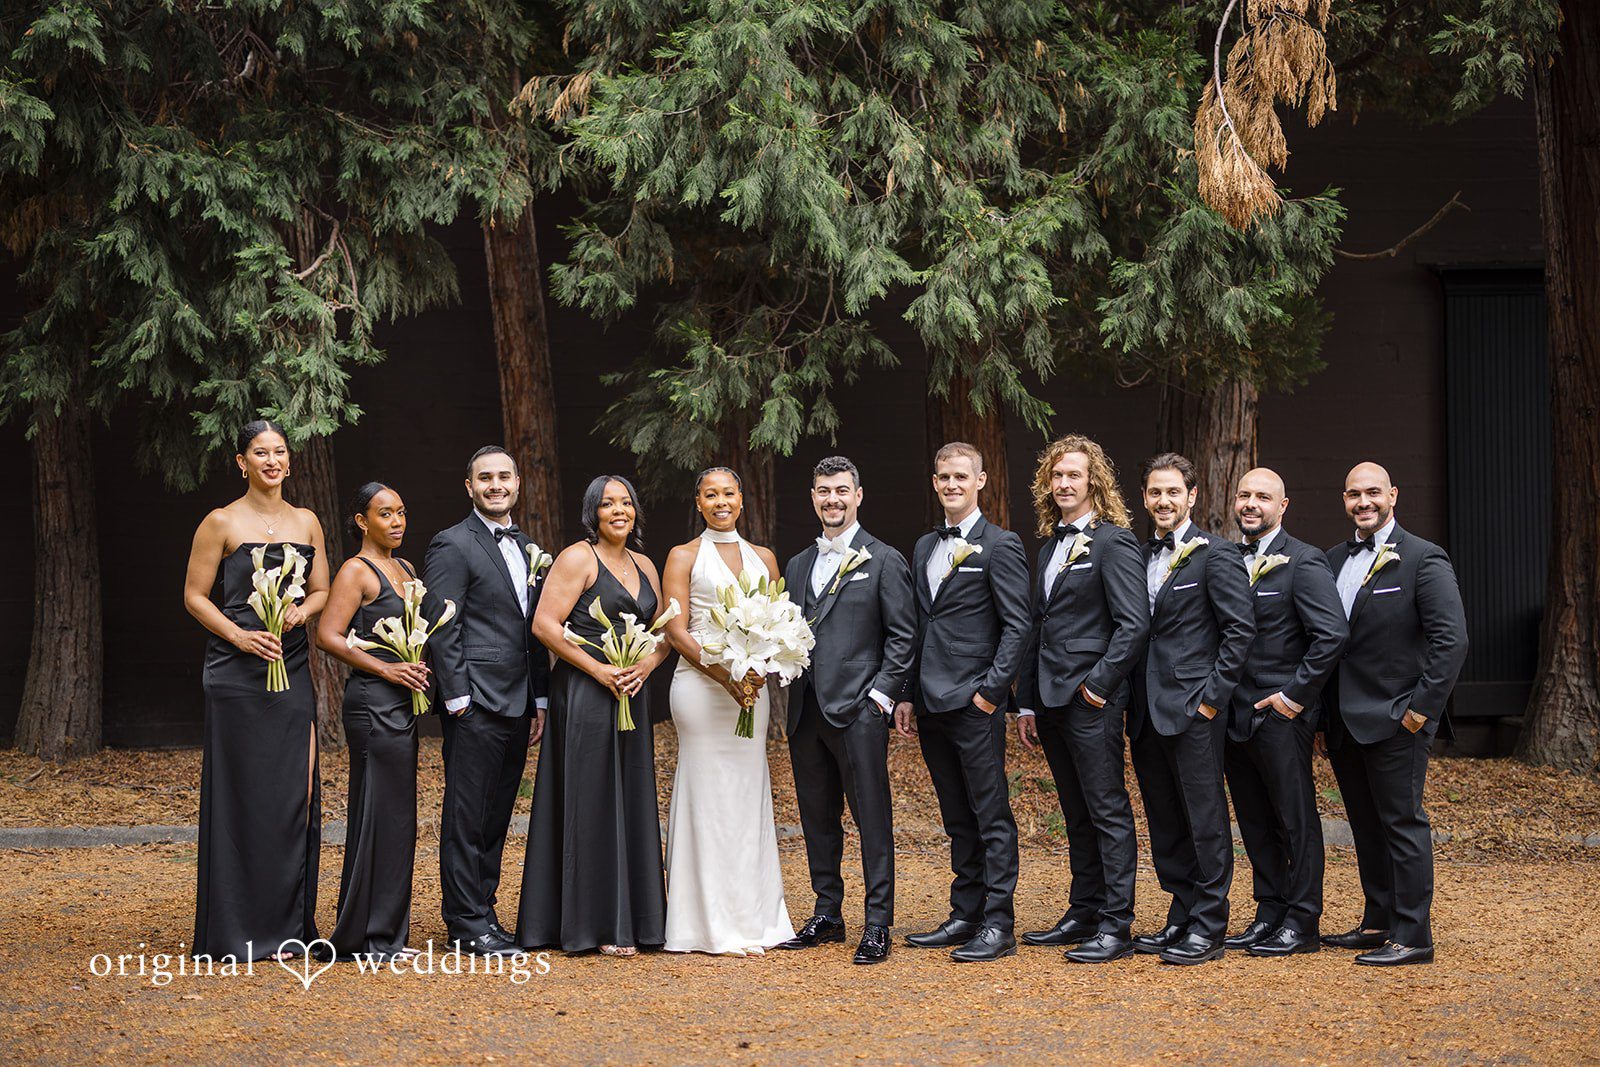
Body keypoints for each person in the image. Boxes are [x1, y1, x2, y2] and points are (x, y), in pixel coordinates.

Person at [182, 420, 330, 963]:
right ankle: (237, 929)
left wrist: (301, 611)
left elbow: (323, 590)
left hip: (288, 667)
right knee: (243, 794)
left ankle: (290, 926)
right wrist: (240, 635)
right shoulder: (220, 521)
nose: (271, 460)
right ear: (241, 462)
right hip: (236, 671)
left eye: (280, 452)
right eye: (259, 453)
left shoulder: (307, 520)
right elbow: (196, 597)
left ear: (289, 462)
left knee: (294, 791)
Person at [1320, 462, 1467, 966]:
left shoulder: (1424, 559)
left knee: (1401, 822)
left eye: (1373, 493)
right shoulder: (1333, 559)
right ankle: (1379, 920)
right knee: (1365, 823)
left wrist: (1418, 712)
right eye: (1354, 493)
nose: (1364, 501)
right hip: (1342, 718)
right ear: (1344, 499)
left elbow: (1452, 642)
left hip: (1396, 716)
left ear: (1393, 496)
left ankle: (1414, 934)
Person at [516, 476, 670, 957]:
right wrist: (600, 670)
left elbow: (664, 631)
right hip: (585, 693)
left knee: (629, 797)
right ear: (593, 512)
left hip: (632, 692)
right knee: (590, 799)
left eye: (626, 503)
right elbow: (544, 625)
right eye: (608, 504)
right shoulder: (578, 558)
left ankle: (634, 921)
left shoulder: (645, 564)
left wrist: (643, 665)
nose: (619, 511)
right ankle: (591, 923)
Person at [777, 456, 916, 965]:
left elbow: (904, 635)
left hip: (859, 710)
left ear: (859, 495)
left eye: (840, 490)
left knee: (872, 819)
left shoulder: (883, 559)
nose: (831, 500)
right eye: (822, 491)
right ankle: (828, 911)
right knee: (817, 817)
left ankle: (877, 923)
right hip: (806, 710)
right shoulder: (796, 565)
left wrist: (880, 698)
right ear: (812, 497)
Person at [895, 442, 1031, 963]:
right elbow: (916, 625)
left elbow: (1017, 625)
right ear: (935, 483)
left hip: (975, 703)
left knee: (990, 813)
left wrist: (990, 695)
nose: (952, 484)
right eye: (944, 477)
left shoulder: (1001, 545)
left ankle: (999, 923)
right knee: (956, 816)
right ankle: (965, 913)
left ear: (981, 480)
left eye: (961, 476)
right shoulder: (925, 545)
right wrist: (907, 695)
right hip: (930, 703)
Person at [1016, 435, 1149, 964]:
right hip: (1049, 699)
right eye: (1056, 476)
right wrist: (1025, 702)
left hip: (1091, 698)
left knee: (1107, 809)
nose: (1064, 484)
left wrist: (1099, 685)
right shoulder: (1049, 545)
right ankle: (1084, 909)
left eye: (1074, 475)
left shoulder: (1113, 542)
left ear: (1094, 481)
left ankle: (1117, 924)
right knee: (1075, 811)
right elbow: (1037, 626)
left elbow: (1134, 624)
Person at [660, 467, 795, 955]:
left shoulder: (764, 558)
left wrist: (760, 671)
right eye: (710, 494)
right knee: (707, 792)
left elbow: (780, 621)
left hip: (751, 693)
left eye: (729, 493)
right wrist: (725, 676)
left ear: (743, 499)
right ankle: (701, 921)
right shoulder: (683, 556)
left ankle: (755, 915)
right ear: (698, 502)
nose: (721, 501)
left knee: (746, 791)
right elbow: (675, 629)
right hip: (699, 687)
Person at [1127, 452, 1255, 965]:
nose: (1163, 501)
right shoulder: (1137, 557)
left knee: (1204, 819)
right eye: (1155, 492)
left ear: (1192, 496)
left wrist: (1210, 700)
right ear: (1145, 497)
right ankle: (1180, 913)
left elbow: (1239, 631)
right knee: (1165, 819)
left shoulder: (1217, 556)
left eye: (1173, 492)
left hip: (1194, 709)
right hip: (1145, 712)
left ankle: (1210, 924)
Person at [424, 446, 550, 956]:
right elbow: (443, 625)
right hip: (474, 702)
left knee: (497, 814)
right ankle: (464, 922)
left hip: (519, 702)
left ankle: (485, 912)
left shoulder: (528, 547)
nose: (495, 485)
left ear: (517, 483)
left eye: (503, 476)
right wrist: (456, 700)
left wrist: (540, 697)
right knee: (466, 815)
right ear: (469, 486)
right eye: (485, 478)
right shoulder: (451, 544)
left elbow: (532, 632)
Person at [1222, 468, 1347, 957]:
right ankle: (1268, 911)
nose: (1251, 504)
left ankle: (1302, 921)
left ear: (1283, 504)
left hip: (1281, 715)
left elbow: (1331, 634)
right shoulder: (1227, 560)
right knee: (1254, 819)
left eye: (1263, 497)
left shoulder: (1304, 561)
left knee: (1295, 819)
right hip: (1233, 714)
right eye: (1245, 495)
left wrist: (1294, 696)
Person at [315, 483, 435, 961]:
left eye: (402, 512)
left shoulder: (405, 568)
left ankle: (387, 933)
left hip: (404, 700)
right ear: (362, 521)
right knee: (376, 812)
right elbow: (328, 635)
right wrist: (389, 669)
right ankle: (363, 935)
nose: (398, 521)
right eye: (385, 514)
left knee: (399, 815)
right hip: (371, 701)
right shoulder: (355, 571)